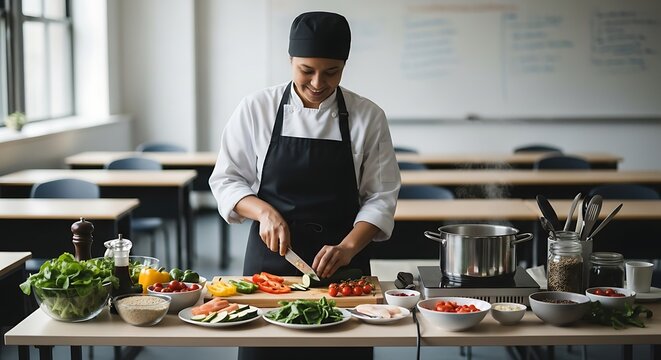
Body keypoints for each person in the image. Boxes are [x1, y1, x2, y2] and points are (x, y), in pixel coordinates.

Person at [209, 11, 400, 359]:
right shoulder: (257, 108)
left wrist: (347, 247)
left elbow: (381, 196)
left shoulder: (368, 116)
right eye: (306, 70)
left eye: (331, 72)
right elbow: (226, 179)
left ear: (344, 65)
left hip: (344, 265)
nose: (317, 82)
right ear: (290, 60)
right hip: (271, 263)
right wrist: (264, 212)